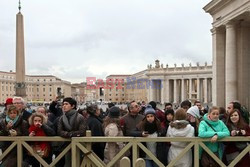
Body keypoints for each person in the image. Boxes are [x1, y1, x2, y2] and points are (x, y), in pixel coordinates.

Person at [57, 97, 87, 167]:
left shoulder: (80, 117)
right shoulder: (61, 118)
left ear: (73, 106)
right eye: (63, 104)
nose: (64, 106)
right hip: (66, 145)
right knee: (67, 164)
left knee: (78, 163)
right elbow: (59, 131)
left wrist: (69, 134)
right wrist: (69, 134)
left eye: (66, 104)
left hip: (79, 145)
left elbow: (82, 131)